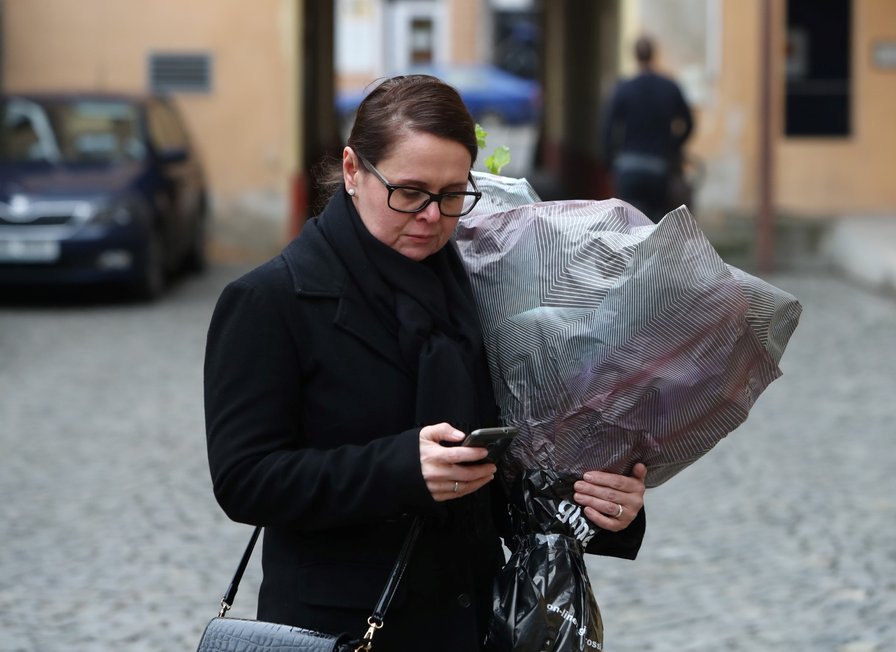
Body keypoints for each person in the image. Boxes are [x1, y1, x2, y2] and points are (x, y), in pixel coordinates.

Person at [204, 74, 649, 650]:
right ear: (352, 171)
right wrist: (399, 469)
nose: (432, 217)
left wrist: (603, 502)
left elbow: (510, 465)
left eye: (452, 195)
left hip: (472, 622)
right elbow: (245, 480)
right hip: (339, 628)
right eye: (410, 192)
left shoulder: (484, 287)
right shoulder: (271, 301)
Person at [602, 34, 694, 222]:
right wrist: (673, 146)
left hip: (628, 168)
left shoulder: (624, 88)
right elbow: (689, 123)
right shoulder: (669, 87)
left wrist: (610, 162)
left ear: (635, 56)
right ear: (653, 55)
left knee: (629, 226)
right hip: (658, 168)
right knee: (656, 225)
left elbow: (606, 129)